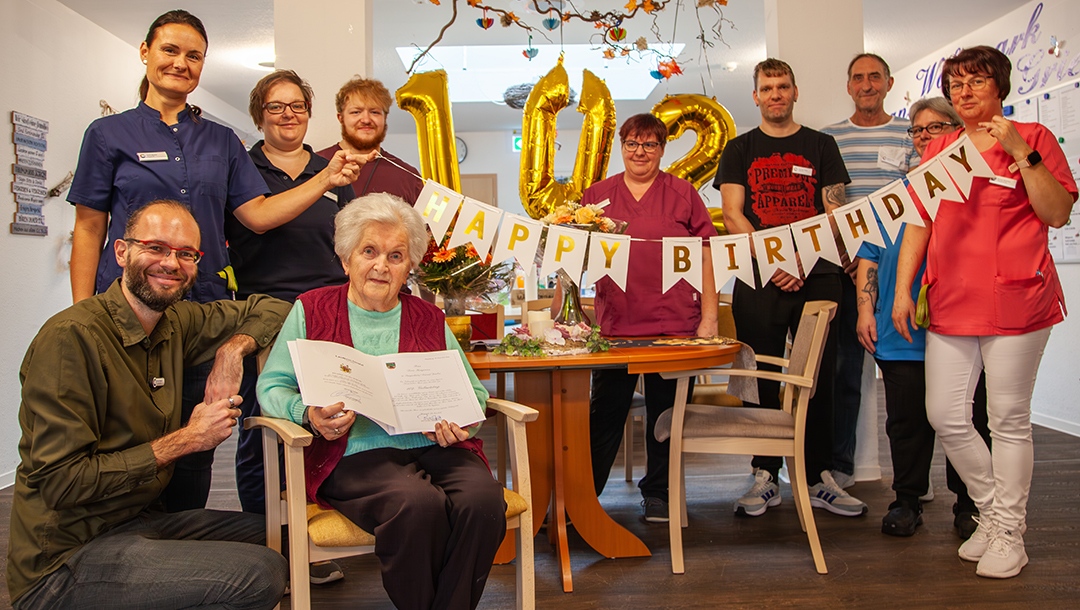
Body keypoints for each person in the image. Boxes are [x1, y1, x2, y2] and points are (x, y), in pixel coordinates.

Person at [66, 10, 367, 513]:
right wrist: (82, 314)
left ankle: (185, 545)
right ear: (145, 52)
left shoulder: (222, 141)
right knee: (124, 431)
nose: (180, 63)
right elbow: (89, 228)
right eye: (170, 50)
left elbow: (258, 215)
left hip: (199, 309)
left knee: (195, 438)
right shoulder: (107, 134)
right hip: (125, 310)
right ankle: (127, 549)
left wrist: (324, 179)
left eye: (193, 55)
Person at [8, 200, 289, 609]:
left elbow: (273, 307)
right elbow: (62, 482)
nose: (171, 263)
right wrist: (188, 439)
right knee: (258, 573)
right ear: (121, 252)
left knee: (284, 531)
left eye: (185, 254)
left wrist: (232, 351)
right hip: (66, 559)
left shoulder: (176, 322)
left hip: (139, 523)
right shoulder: (71, 338)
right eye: (155, 247)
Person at [257, 193, 505, 609]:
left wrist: (460, 421)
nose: (381, 265)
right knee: (417, 504)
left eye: (395, 255)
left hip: (434, 445)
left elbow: (473, 392)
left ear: (409, 266)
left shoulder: (429, 316)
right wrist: (308, 414)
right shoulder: (311, 309)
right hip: (351, 453)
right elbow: (272, 386)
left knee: (484, 501)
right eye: (369, 251)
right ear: (345, 258)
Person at [894, 46, 1077, 579]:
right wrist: (903, 287)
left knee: (1007, 420)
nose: (964, 90)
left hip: (1017, 299)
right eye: (956, 82)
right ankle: (996, 517)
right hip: (951, 301)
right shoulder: (941, 149)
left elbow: (1058, 213)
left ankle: (1009, 533)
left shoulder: (1035, 138)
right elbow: (919, 222)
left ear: (999, 85)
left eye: (975, 80)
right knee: (945, 415)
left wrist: (1023, 154)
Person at [715, 58, 867, 518]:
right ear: (756, 96)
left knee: (817, 377)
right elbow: (733, 214)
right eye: (767, 87)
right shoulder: (739, 149)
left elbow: (834, 212)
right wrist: (776, 259)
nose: (775, 94)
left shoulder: (822, 145)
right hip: (759, 277)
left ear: (795, 92)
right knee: (759, 375)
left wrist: (801, 258)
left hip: (818, 274)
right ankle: (764, 474)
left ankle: (817, 475)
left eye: (783, 86)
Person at [225, 69, 357, 584]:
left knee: (323, 426)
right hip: (266, 310)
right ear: (260, 114)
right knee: (264, 426)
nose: (288, 114)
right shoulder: (244, 167)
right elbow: (256, 222)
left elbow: (345, 241)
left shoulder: (331, 170)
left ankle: (312, 538)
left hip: (327, 310)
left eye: (297, 105)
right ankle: (267, 545)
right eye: (276, 106)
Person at [583, 113, 718, 523]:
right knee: (604, 415)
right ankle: (584, 496)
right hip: (617, 326)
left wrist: (709, 318)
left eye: (650, 145)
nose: (640, 152)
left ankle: (658, 493)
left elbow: (706, 255)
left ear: (662, 149)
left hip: (673, 323)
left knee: (667, 416)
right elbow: (573, 253)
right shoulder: (597, 195)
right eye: (632, 144)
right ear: (621, 147)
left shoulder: (683, 193)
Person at [822, 53, 917, 493]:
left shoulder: (911, 133)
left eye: (874, 77)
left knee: (913, 374)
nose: (866, 84)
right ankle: (841, 466)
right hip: (847, 267)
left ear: (888, 83)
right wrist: (845, 248)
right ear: (848, 86)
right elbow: (831, 200)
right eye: (857, 77)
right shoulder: (832, 138)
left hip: (905, 267)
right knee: (844, 370)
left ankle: (916, 476)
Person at [906, 98, 992, 540]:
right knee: (934, 413)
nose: (924, 136)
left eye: (934, 127)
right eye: (917, 131)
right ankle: (915, 497)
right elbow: (903, 236)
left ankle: (978, 509)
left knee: (982, 414)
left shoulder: (984, 176)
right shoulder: (910, 184)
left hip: (984, 307)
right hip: (931, 310)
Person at [317, 77, 424, 204]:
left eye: (374, 112)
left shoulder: (408, 177)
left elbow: (423, 224)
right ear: (340, 118)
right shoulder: (315, 165)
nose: (366, 120)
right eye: (356, 112)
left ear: (385, 118)